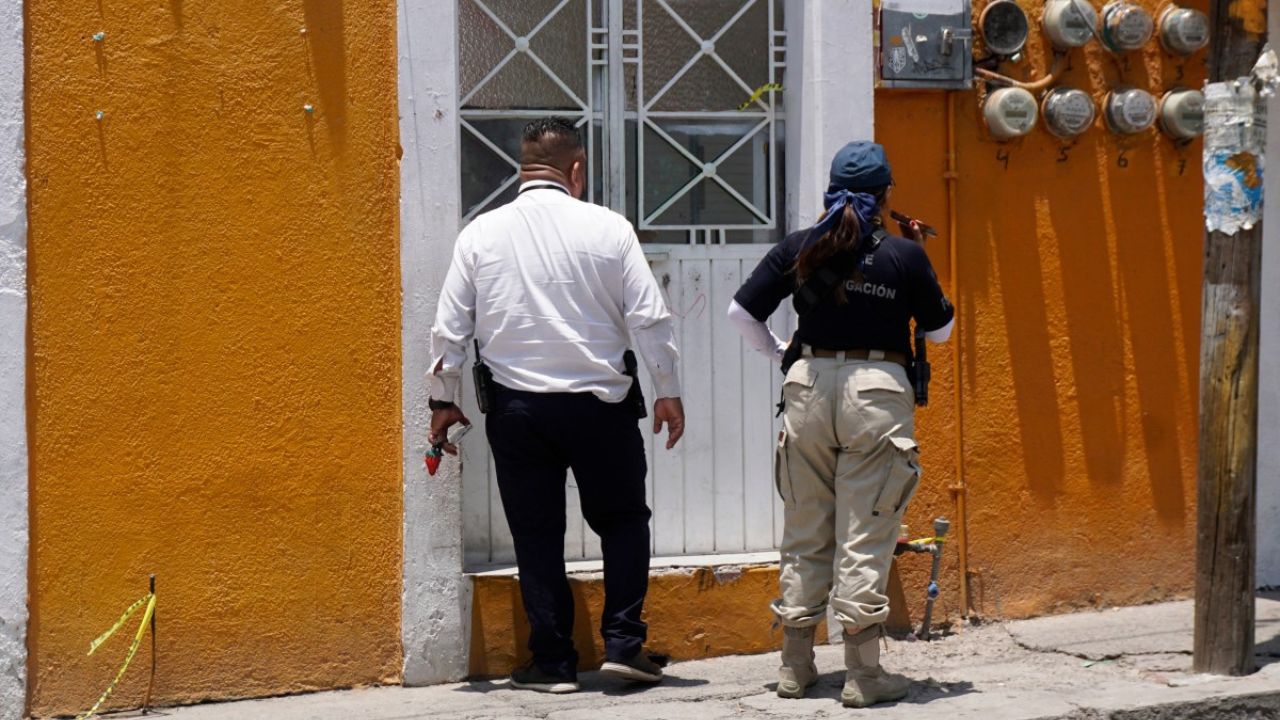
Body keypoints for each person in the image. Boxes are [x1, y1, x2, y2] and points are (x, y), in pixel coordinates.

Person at [428, 117, 686, 694]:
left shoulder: (479, 235)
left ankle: (552, 664)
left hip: (518, 411)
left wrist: (442, 402)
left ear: (521, 168)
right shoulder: (610, 229)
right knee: (622, 522)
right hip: (601, 406)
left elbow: (449, 329)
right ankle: (623, 646)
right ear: (577, 170)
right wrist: (667, 389)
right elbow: (649, 318)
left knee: (536, 533)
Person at [727, 141, 954, 708]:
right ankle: (862, 675)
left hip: (806, 388)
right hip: (877, 394)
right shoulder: (905, 255)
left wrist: (784, 351)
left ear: (830, 190)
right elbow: (940, 330)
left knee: (805, 530)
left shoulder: (801, 247)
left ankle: (795, 669)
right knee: (865, 535)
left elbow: (741, 313)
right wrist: (917, 255)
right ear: (885, 196)